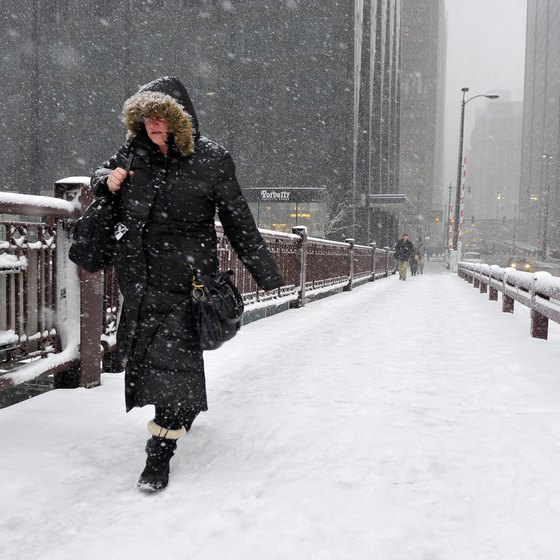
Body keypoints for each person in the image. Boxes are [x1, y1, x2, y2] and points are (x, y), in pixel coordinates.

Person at [90, 76, 284, 492]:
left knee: (172, 363)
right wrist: (102, 182)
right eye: (146, 118)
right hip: (140, 281)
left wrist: (267, 273)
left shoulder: (211, 159)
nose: (153, 125)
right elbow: (101, 174)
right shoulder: (133, 153)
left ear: (179, 120)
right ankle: (180, 411)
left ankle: (159, 453)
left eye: (162, 117)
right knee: (158, 362)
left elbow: (238, 220)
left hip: (187, 281)